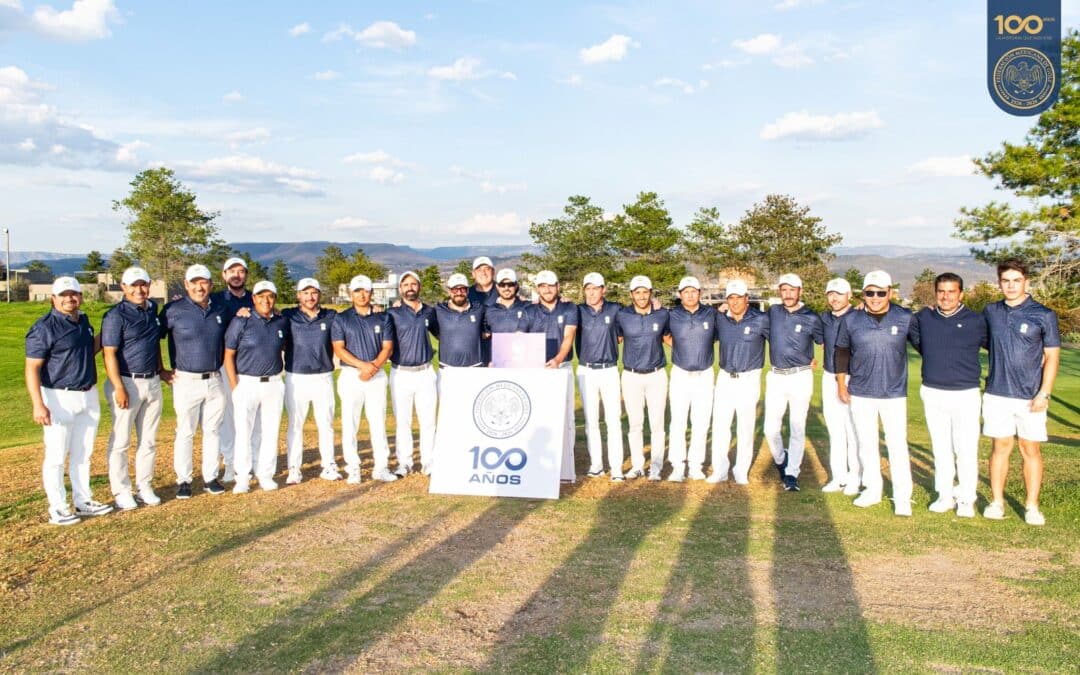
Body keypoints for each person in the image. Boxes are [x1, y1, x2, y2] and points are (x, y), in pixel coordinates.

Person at [25, 276, 111, 525]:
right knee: (56, 455)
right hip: (57, 396)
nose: (69, 298)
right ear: (54, 298)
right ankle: (58, 507)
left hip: (87, 394)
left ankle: (83, 501)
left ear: (80, 297)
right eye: (63, 295)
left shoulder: (83, 321)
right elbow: (32, 368)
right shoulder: (44, 327)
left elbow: (88, 349)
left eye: (73, 294)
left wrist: (110, 331)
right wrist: (38, 404)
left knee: (83, 453)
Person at [981, 259, 1060, 526]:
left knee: (1030, 449)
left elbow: (1052, 357)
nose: (1011, 285)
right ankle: (997, 502)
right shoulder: (990, 311)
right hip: (997, 393)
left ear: (1026, 281)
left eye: (1016, 280)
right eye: (1006, 281)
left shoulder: (1043, 314)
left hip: (1031, 397)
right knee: (1000, 447)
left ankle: (1032, 506)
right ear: (999, 283)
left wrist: (1044, 393)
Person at [836, 270, 916, 517]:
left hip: (894, 393)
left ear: (889, 292)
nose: (875, 297)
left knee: (897, 445)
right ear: (863, 294)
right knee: (866, 444)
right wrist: (841, 383)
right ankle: (872, 490)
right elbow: (841, 352)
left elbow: (925, 344)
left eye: (880, 292)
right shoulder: (851, 320)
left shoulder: (904, 317)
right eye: (870, 292)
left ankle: (902, 496)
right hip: (861, 392)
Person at [909, 273, 987, 518]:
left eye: (951, 291)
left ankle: (966, 499)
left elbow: (994, 346)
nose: (945, 296)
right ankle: (944, 495)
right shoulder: (923, 318)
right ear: (935, 293)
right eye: (941, 291)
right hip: (933, 391)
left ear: (961, 294)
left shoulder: (976, 321)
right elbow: (919, 342)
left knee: (965, 449)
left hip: (965, 393)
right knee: (941, 449)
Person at [100, 267, 170, 510]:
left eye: (143, 285)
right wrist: (118, 387)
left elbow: (154, 345)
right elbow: (109, 354)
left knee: (148, 440)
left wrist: (161, 370)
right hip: (126, 381)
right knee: (121, 441)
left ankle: (144, 485)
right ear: (123, 287)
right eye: (133, 285)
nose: (139, 290)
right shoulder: (114, 316)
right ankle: (121, 490)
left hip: (151, 382)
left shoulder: (152, 309)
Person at [159, 264, 230, 499]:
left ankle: (210, 477)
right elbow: (152, 338)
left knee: (212, 430)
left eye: (204, 282)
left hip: (214, 378)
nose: (200, 287)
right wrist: (161, 370)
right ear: (187, 284)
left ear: (210, 284)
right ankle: (184, 480)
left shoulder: (220, 308)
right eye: (195, 282)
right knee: (186, 431)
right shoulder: (173, 310)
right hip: (186, 379)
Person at [224, 280, 288, 493]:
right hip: (247, 382)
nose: (266, 300)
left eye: (270, 296)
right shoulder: (241, 321)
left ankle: (265, 474)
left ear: (275, 299)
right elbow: (229, 355)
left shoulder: (281, 322)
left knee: (270, 431)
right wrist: (235, 386)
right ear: (253, 299)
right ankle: (242, 476)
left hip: (273, 383)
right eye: (261, 296)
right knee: (244, 432)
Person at [332, 275, 396, 483]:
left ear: (371, 293)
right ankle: (353, 468)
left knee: (377, 421)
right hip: (352, 375)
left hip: (376, 374)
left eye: (365, 291)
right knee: (350, 423)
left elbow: (387, 347)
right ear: (351, 293)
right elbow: (339, 349)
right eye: (357, 291)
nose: (362, 294)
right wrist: (363, 366)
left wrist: (374, 366)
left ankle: (381, 467)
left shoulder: (383, 317)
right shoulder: (341, 318)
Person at [764, 273, 824, 492]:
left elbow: (825, 341)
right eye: (784, 290)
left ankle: (792, 473)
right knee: (770, 428)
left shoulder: (811, 317)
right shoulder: (773, 313)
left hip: (801, 376)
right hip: (776, 376)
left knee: (797, 427)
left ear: (800, 291)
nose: (788, 294)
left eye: (792, 290)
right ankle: (781, 459)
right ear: (780, 291)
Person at [710, 279, 769, 484]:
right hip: (725, 377)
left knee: (745, 426)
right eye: (731, 298)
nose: (735, 302)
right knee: (720, 425)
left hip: (749, 378)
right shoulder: (720, 320)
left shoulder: (761, 319)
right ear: (727, 299)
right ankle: (720, 469)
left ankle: (741, 470)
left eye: (739, 297)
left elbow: (780, 339)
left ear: (747, 298)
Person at [282, 278, 340, 484]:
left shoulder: (330, 316)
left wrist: (378, 308)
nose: (310, 296)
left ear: (319, 294)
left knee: (326, 424)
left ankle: (329, 465)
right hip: (296, 377)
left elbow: (352, 319)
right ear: (298, 295)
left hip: (323, 376)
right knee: (295, 425)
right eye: (305, 292)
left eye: (314, 292)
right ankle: (294, 468)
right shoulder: (288, 315)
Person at [526, 270, 579, 479]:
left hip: (561, 367)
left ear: (557, 286)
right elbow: (522, 337)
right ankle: (537, 461)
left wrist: (557, 360)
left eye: (550, 285)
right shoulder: (529, 311)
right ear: (538, 289)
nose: (547, 289)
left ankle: (565, 464)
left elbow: (569, 337)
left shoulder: (569, 308)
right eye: (542, 286)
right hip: (536, 370)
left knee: (567, 418)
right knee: (537, 417)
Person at [615, 275, 669, 481]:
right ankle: (637, 465)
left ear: (650, 293)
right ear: (631, 295)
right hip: (631, 375)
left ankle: (655, 467)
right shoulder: (623, 315)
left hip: (656, 374)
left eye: (645, 292)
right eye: (637, 292)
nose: (641, 296)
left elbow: (670, 336)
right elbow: (617, 338)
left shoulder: (662, 315)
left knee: (657, 424)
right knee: (635, 424)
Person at [665, 276, 717, 482]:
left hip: (704, 373)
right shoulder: (671, 315)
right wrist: (679, 348)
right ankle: (677, 466)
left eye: (693, 291)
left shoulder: (711, 314)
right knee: (678, 421)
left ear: (700, 293)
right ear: (680, 295)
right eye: (685, 291)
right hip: (680, 373)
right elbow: (663, 334)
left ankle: (696, 465)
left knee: (701, 422)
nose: (689, 295)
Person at [387, 270, 439, 476]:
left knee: (428, 421)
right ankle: (404, 463)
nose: (410, 288)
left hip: (425, 372)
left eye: (414, 284)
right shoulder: (392, 314)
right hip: (401, 373)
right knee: (403, 421)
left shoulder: (429, 312)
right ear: (400, 289)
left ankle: (428, 462)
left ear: (419, 287)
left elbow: (441, 333)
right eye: (406, 284)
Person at [575, 272, 625, 480]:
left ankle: (617, 469)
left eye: (596, 288)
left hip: (609, 369)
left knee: (613, 420)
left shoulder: (615, 309)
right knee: (591, 420)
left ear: (603, 289)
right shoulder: (576, 311)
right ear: (584, 290)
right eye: (588, 288)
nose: (592, 292)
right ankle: (596, 464)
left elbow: (623, 333)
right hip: (586, 370)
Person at [212, 256, 255, 483]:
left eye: (241, 271)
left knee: (252, 419)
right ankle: (230, 463)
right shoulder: (215, 299)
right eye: (232, 271)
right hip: (226, 366)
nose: (236, 275)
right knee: (228, 419)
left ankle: (252, 461)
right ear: (224, 275)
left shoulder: (255, 299)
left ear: (246, 275)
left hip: (251, 368)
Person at [819, 278, 861, 496]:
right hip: (829, 375)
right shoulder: (824, 318)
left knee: (853, 430)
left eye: (839, 294)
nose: (834, 298)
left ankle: (855, 476)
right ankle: (839, 476)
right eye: (831, 294)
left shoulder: (859, 317)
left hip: (853, 378)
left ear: (849, 296)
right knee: (835, 430)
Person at [435, 273, 486, 370]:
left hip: (475, 368)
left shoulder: (479, 309)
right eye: (455, 289)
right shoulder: (439, 310)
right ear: (449, 291)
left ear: (467, 291)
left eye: (462, 289)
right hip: (447, 368)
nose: (459, 293)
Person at [482, 268, 531, 346]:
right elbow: (484, 333)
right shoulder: (489, 311)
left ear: (516, 286)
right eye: (502, 285)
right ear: (497, 287)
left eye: (510, 284)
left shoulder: (529, 307)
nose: (506, 288)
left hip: (523, 355)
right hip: (499, 356)